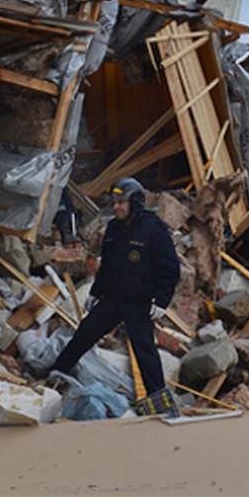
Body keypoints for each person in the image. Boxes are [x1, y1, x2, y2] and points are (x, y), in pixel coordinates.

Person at [47, 177, 182, 417]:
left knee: (145, 353)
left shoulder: (153, 229)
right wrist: (95, 294)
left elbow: (170, 268)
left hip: (139, 304)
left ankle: (160, 403)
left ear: (136, 202)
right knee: (83, 335)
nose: (117, 207)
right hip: (112, 300)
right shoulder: (113, 229)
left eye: (122, 202)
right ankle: (55, 376)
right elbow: (108, 266)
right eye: (114, 202)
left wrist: (161, 300)